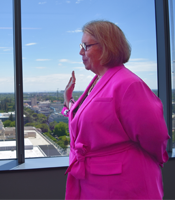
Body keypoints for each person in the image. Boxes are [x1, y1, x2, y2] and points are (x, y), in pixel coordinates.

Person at [62, 20, 170, 199]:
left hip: (122, 186)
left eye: (86, 46)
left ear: (106, 46)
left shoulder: (129, 84)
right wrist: (69, 102)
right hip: (94, 183)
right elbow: (91, 119)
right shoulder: (98, 81)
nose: (81, 52)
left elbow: (156, 137)